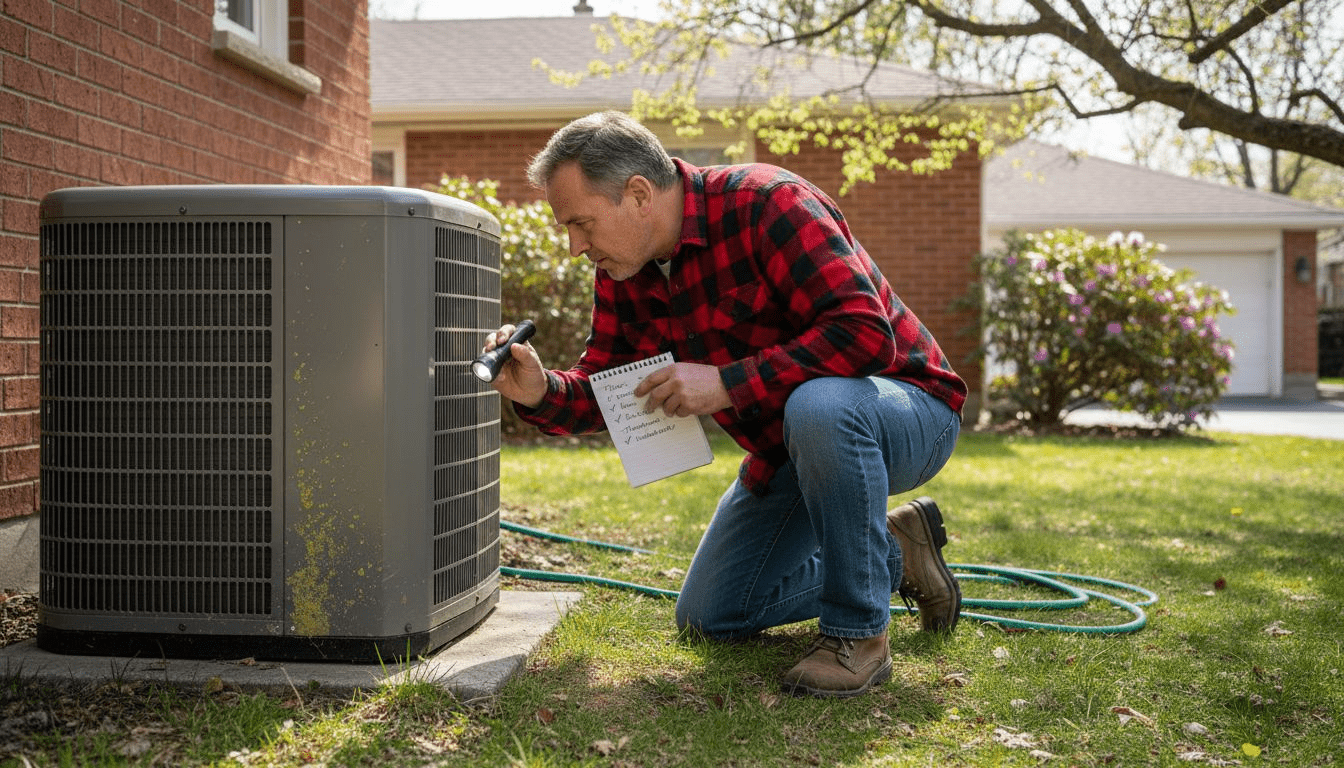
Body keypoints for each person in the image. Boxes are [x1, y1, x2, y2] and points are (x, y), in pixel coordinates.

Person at [481, 110, 967, 698]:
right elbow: (609, 384)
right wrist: (540, 390)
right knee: (710, 616)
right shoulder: (624, 268)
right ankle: (893, 553)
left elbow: (863, 335)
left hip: (906, 408)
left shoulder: (769, 203)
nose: (575, 245)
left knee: (820, 404)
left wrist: (726, 383)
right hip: (788, 446)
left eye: (581, 223)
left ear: (638, 194)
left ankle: (856, 635)